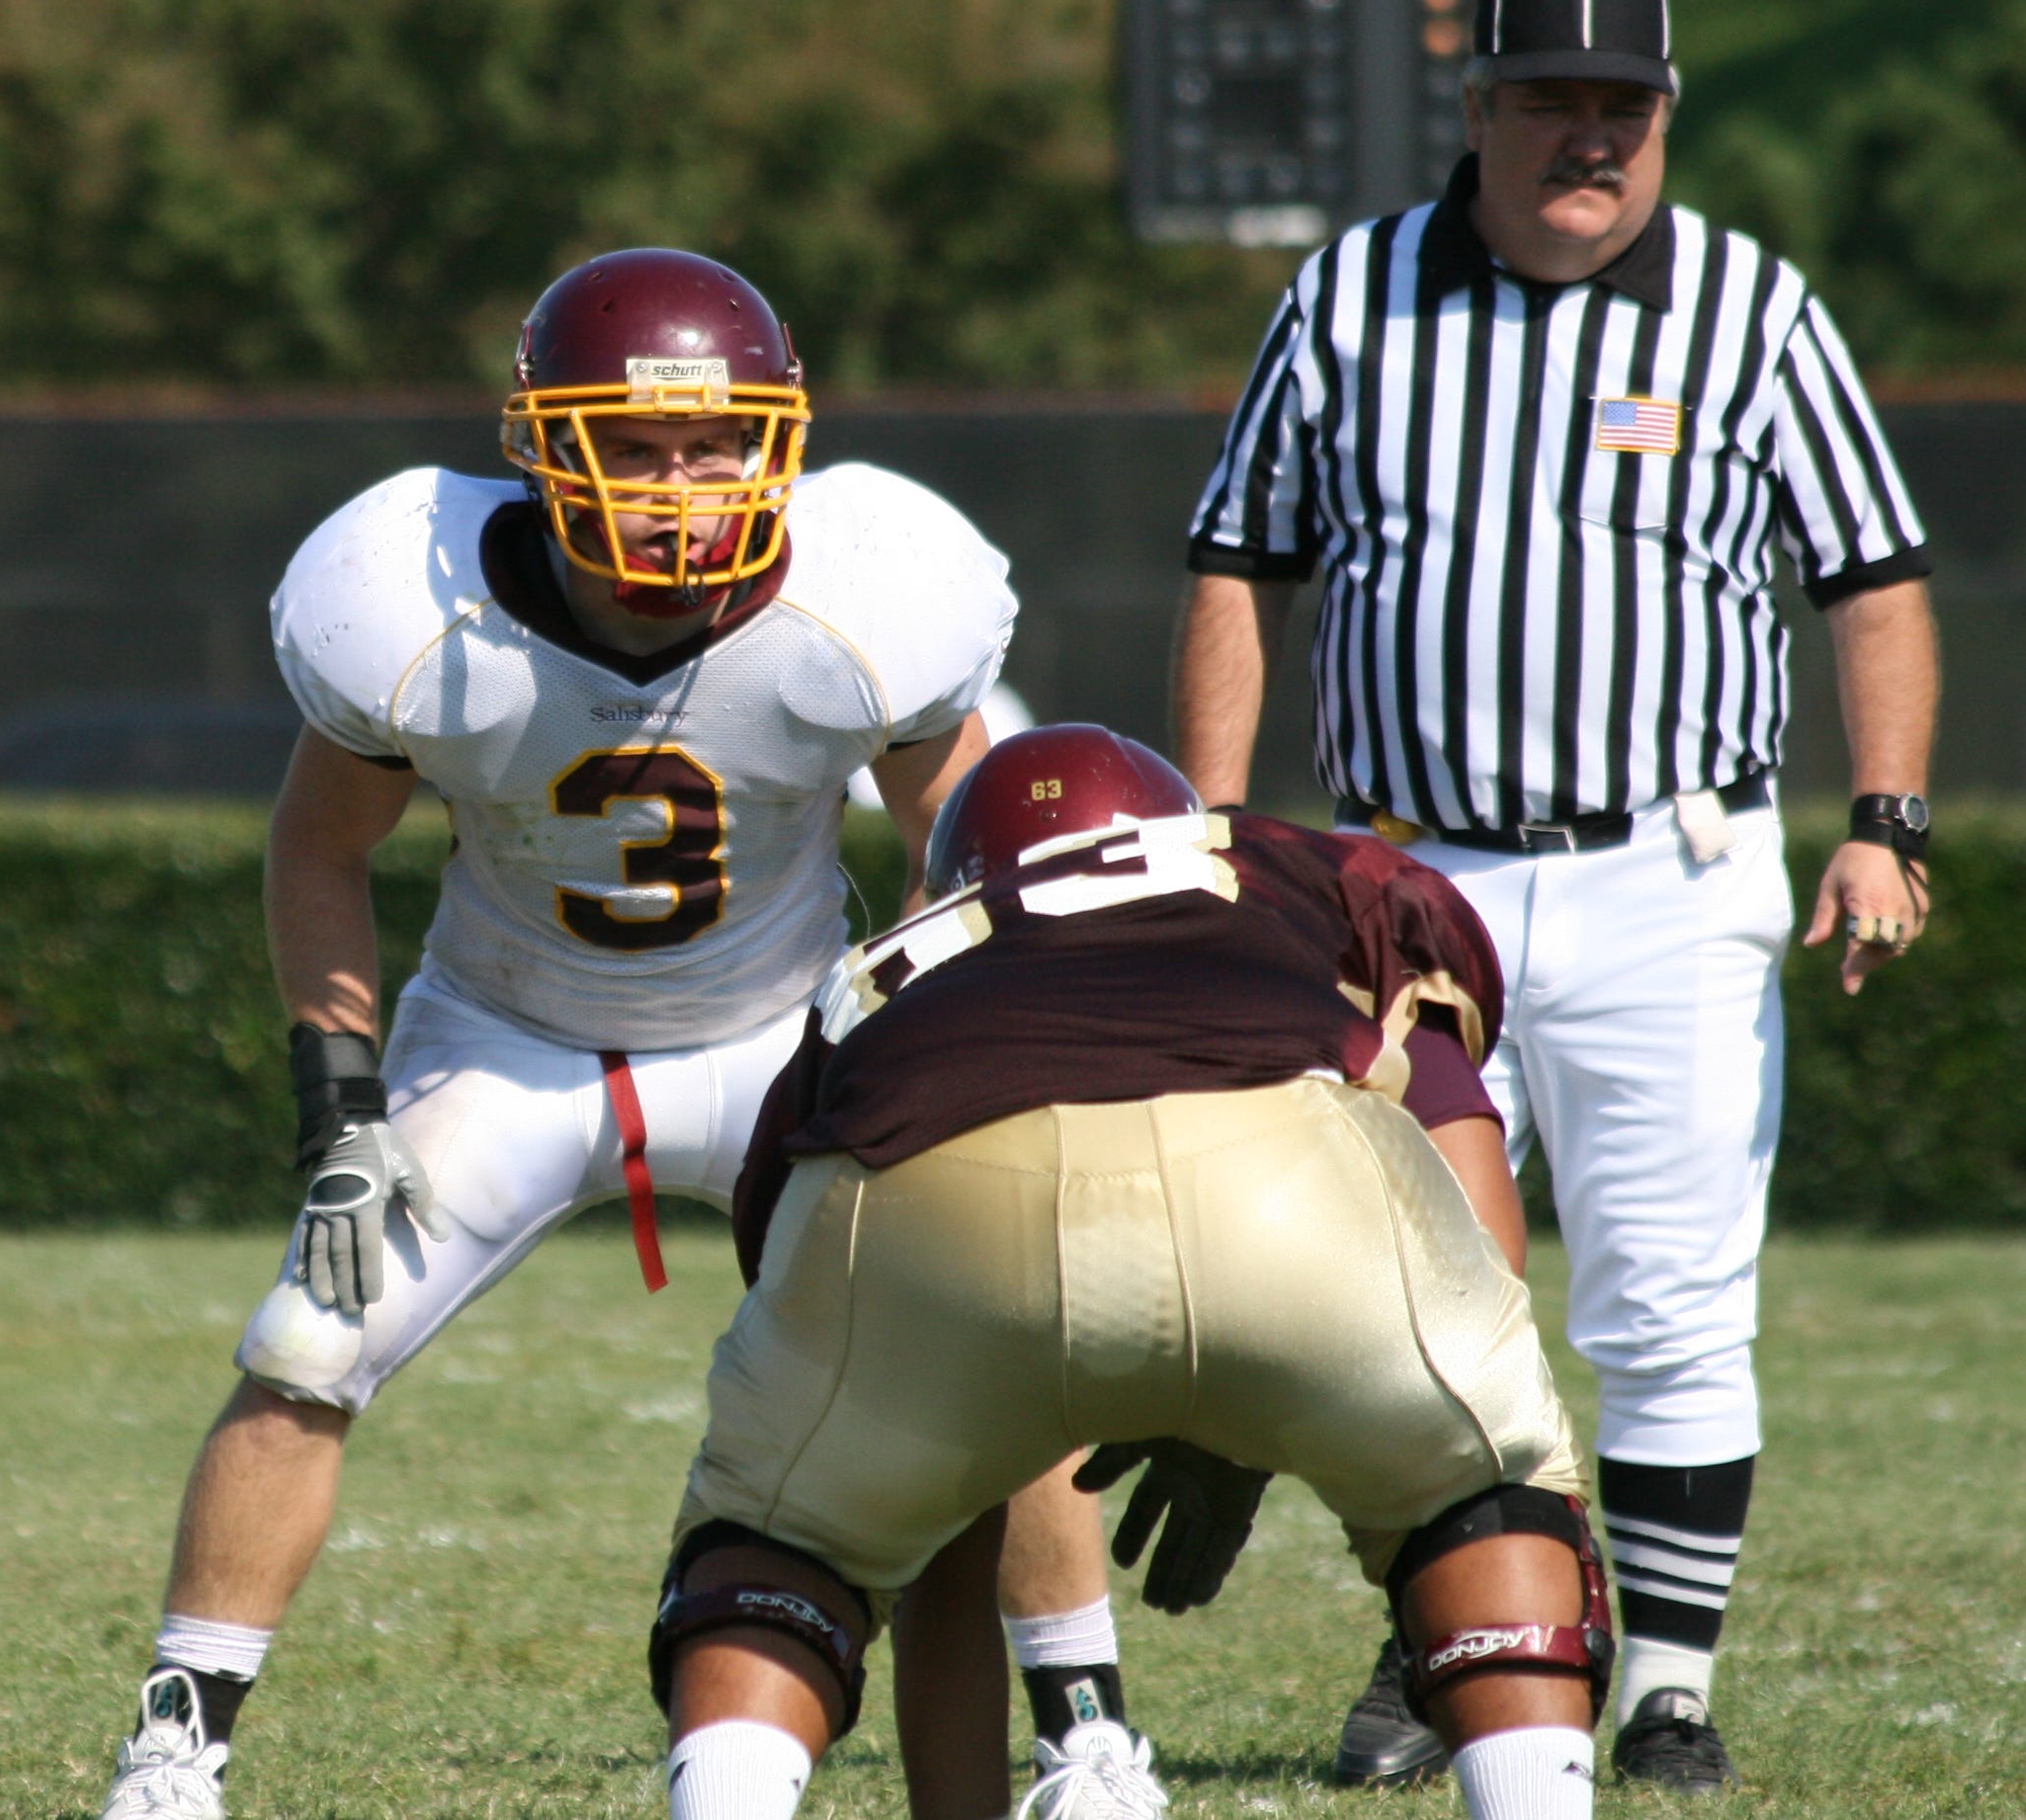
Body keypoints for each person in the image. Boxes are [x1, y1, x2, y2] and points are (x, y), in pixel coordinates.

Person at [88, 248, 1155, 1820]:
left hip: (784, 1033)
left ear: (777, 440)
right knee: (308, 1344)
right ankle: (176, 1748)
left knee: (982, 1338)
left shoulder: (863, 599)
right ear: (539, 444)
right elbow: (317, 849)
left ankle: (1089, 1734)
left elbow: (967, 855)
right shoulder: (421, 609)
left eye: (715, 443)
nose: (680, 484)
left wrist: (978, 1071)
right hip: (508, 1038)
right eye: (636, 445)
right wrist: (340, 1111)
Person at [1171, 0, 1936, 1791]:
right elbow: (1234, 563)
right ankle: (1454, 1635)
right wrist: (1209, 831)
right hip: (1403, 882)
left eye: (1625, 100)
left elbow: (1875, 578)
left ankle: (1663, 1674)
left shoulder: (1751, 308)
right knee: (1402, 1297)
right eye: (1547, 96)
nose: (1588, 132)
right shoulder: (1350, 294)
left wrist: (1885, 819)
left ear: (1666, 108)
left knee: (1668, 1302)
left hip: (1665, 867)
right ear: (1477, 105)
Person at [650, 724, 1607, 1820]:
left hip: (932, 1186)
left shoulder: (890, 966)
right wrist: (1273, 1399)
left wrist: (886, 1461)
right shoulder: (1300, 874)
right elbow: (1477, 1244)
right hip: (1281, 1186)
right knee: (1483, 1492)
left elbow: (782, 1255)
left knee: (788, 1544)